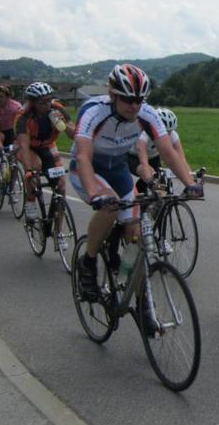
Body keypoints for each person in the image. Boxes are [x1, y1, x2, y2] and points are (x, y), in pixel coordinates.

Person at [71, 64, 202, 323]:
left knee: (139, 236)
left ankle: (142, 300)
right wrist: (94, 194)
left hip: (117, 168)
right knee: (109, 206)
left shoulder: (147, 114)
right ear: (113, 95)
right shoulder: (93, 112)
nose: (134, 106)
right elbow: (83, 156)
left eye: (139, 100)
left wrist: (190, 184)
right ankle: (88, 261)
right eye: (128, 99)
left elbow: (168, 151)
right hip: (88, 168)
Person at [15, 82, 75, 224]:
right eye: (42, 102)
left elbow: (74, 134)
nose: (47, 104)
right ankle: (30, 202)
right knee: (35, 166)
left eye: (49, 100)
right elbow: (24, 146)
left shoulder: (57, 109)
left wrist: (63, 125)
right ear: (32, 103)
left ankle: (58, 231)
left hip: (48, 145)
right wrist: (28, 171)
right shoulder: (23, 116)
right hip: (28, 146)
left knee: (61, 186)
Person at [127, 107, 191, 194]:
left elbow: (181, 159)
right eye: (165, 131)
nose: (167, 135)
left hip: (154, 158)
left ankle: (143, 192)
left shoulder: (173, 135)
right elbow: (142, 155)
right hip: (134, 157)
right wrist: (149, 173)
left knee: (162, 185)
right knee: (149, 173)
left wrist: (191, 179)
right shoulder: (145, 133)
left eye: (169, 131)